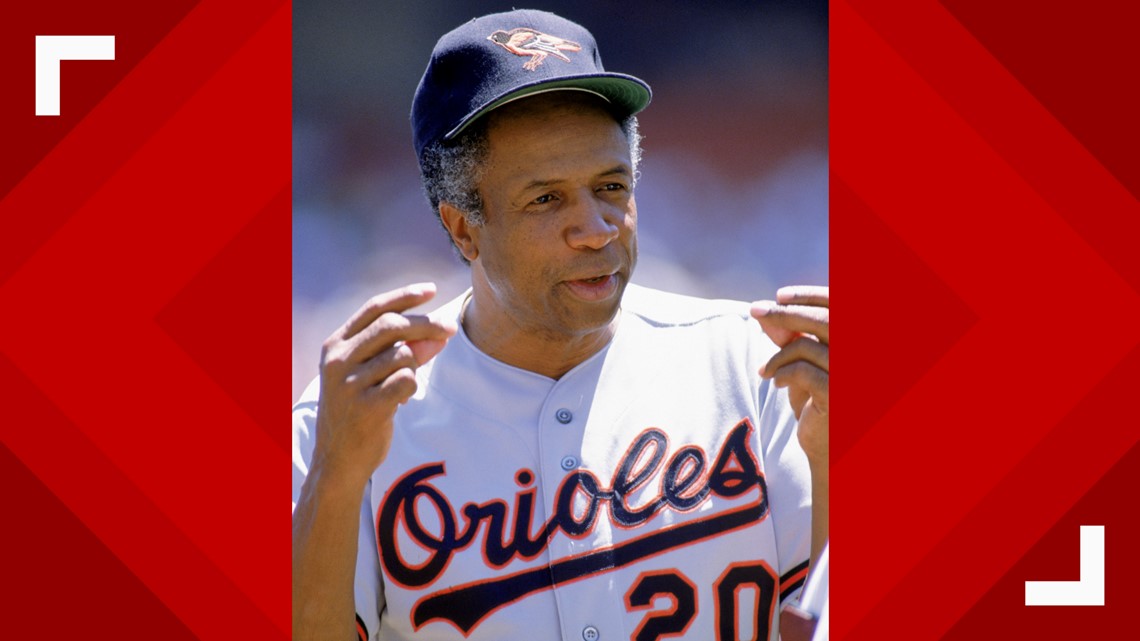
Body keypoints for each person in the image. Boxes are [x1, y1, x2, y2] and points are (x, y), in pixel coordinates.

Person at [292, 9, 829, 641]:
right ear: (464, 227)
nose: (595, 228)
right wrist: (335, 475)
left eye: (610, 187)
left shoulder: (755, 367)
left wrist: (835, 464)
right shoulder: (359, 416)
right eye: (546, 199)